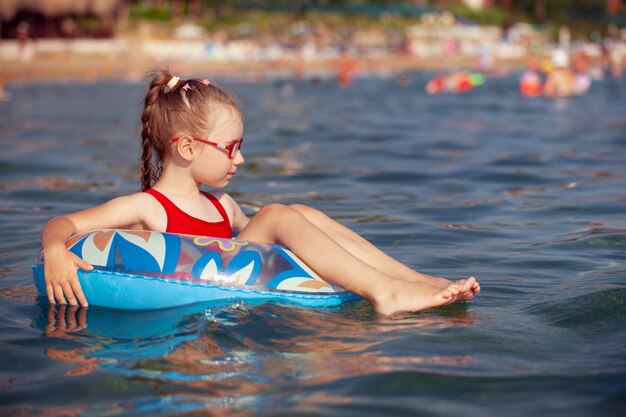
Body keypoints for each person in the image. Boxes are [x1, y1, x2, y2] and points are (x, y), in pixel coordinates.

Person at [40, 71, 480, 316]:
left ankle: (412, 280)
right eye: (231, 149)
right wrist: (55, 250)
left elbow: (278, 251)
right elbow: (66, 224)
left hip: (233, 302)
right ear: (188, 148)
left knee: (300, 212)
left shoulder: (222, 206)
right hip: (192, 318)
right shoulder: (146, 208)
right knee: (275, 214)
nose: (240, 160)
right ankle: (386, 294)